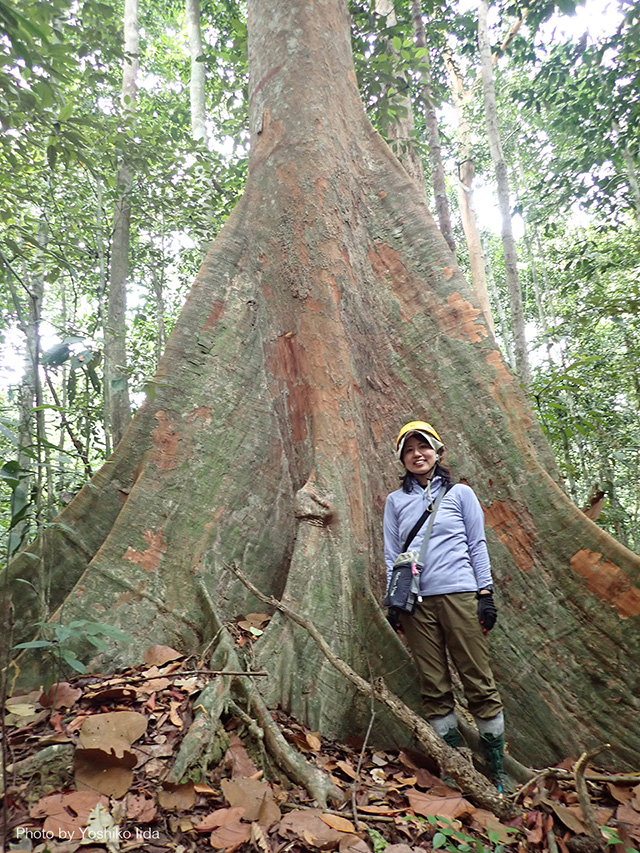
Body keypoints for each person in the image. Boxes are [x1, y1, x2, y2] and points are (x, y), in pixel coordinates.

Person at [383, 420, 508, 791]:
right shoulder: (395, 501)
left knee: (478, 682)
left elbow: (477, 544)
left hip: (460, 595)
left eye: (423, 446)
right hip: (415, 604)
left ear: (438, 451)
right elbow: (392, 555)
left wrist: (485, 594)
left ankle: (496, 768)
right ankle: (456, 767)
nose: (417, 454)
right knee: (434, 687)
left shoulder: (460, 494)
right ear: (402, 459)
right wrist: (394, 603)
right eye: (409, 450)